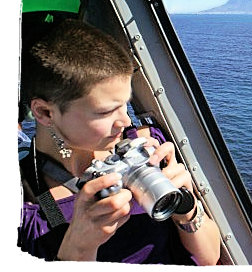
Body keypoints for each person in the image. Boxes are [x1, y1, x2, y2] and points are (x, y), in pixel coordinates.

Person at [18, 19, 221, 264]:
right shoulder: (32, 200)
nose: (125, 122)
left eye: (125, 104)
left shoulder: (149, 147)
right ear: (44, 113)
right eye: (105, 112)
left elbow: (209, 259)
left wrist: (186, 209)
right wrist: (79, 247)